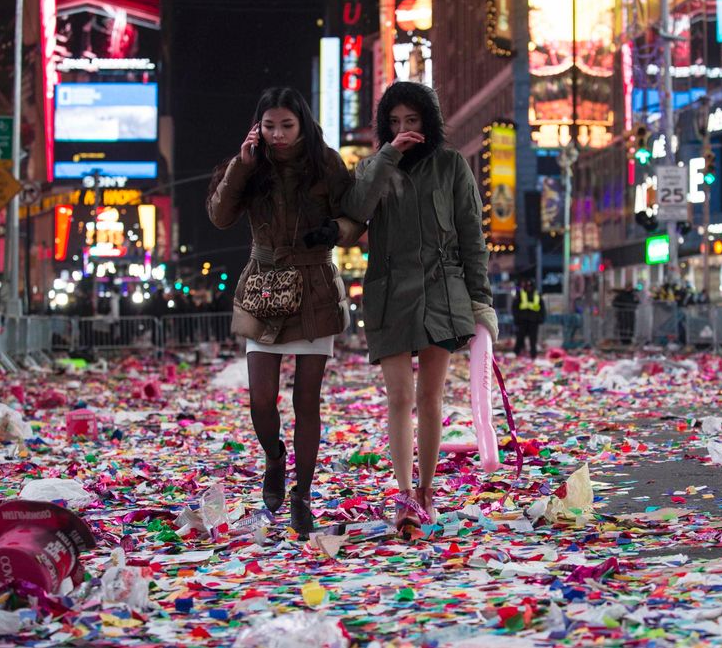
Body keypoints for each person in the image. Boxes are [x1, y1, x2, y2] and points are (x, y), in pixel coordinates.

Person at [206, 87, 364, 539]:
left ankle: (302, 494)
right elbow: (220, 215)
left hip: (314, 287)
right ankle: (274, 459)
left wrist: (337, 229)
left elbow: (357, 218)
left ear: (303, 125)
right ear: (258, 125)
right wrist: (243, 164)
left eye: (287, 126)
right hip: (264, 287)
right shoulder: (249, 164)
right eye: (269, 125)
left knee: (307, 401)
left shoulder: (327, 162)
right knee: (261, 399)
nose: (277, 135)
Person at [341, 81, 495, 536]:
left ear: (428, 121)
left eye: (412, 120)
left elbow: (473, 235)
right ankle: (404, 490)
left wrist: (480, 299)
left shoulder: (451, 166)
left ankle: (426, 489)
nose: (404, 129)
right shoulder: (373, 167)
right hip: (389, 294)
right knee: (398, 397)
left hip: (443, 292)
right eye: (394, 122)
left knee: (431, 397)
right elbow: (355, 208)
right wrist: (387, 156)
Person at [512, 277, 545, 357]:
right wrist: (516, 318)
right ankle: (516, 352)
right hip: (523, 320)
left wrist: (540, 318)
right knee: (520, 338)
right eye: (527, 286)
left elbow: (542, 308)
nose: (529, 288)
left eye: (530, 286)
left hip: (533, 320)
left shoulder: (537, 295)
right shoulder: (521, 294)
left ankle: (533, 355)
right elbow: (514, 307)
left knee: (533, 339)